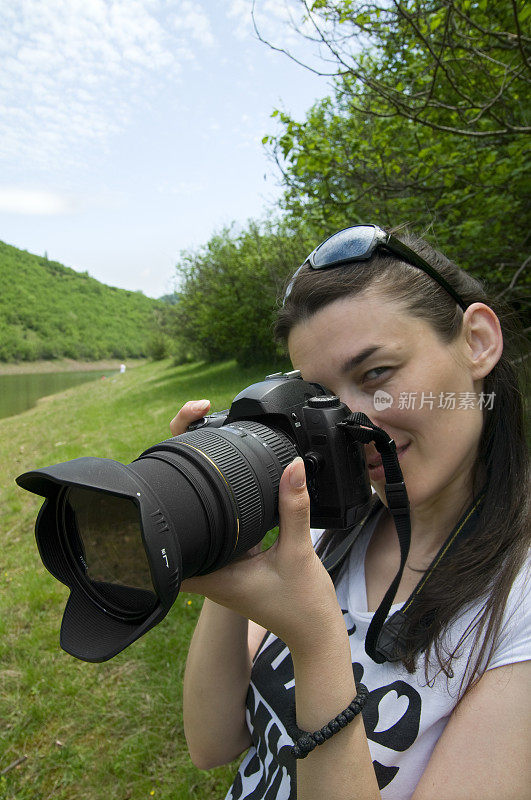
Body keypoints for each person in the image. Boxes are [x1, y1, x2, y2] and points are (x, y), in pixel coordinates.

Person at [171, 225, 530, 800]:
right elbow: (213, 742)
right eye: (322, 398)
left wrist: (318, 647)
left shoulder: (517, 609)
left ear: (478, 341)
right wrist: (232, 532)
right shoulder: (323, 531)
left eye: (376, 374)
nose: (351, 423)